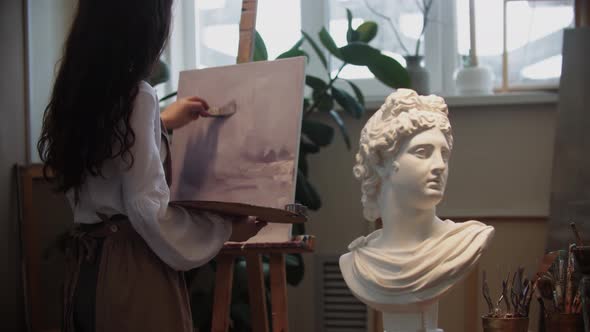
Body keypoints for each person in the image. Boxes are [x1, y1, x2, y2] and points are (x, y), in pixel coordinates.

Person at [37, 1, 265, 331]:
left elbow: (111, 156)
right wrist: (225, 230)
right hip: (131, 272)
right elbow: (147, 209)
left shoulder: (81, 89)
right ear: (145, 25)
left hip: (86, 270)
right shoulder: (137, 96)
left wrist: (159, 123)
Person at [339, 89, 494, 330]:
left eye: (444, 154)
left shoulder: (464, 242)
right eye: (422, 152)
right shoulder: (357, 263)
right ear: (381, 162)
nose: (439, 166)